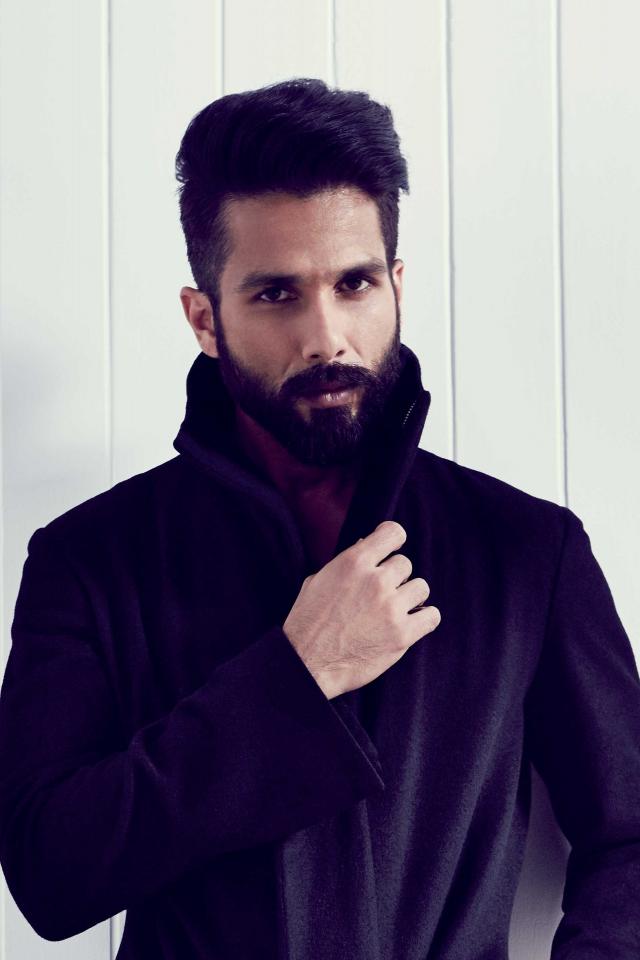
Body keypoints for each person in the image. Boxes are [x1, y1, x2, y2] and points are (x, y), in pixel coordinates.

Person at [0, 77, 638, 960]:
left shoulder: (525, 551)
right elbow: (49, 875)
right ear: (204, 319)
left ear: (397, 287)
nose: (326, 336)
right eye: (276, 295)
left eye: (355, 283)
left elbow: (630, 839)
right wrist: (293, 680)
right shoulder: (89, 558)